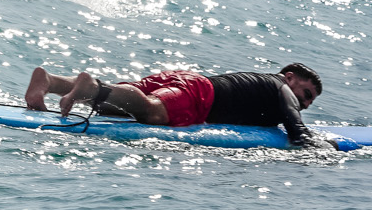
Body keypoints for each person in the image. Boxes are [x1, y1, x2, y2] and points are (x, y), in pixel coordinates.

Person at [23, 61, 334, 150]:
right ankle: (92, 87)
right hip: (198, 95)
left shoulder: (265, 85)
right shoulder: (282, 88)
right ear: (290, 78)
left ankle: (49, 81)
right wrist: (319, 149)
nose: (304, 103)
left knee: (118, 107)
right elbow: (296, 127)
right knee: (151, 112)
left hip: (184, 81)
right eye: (306, 94)